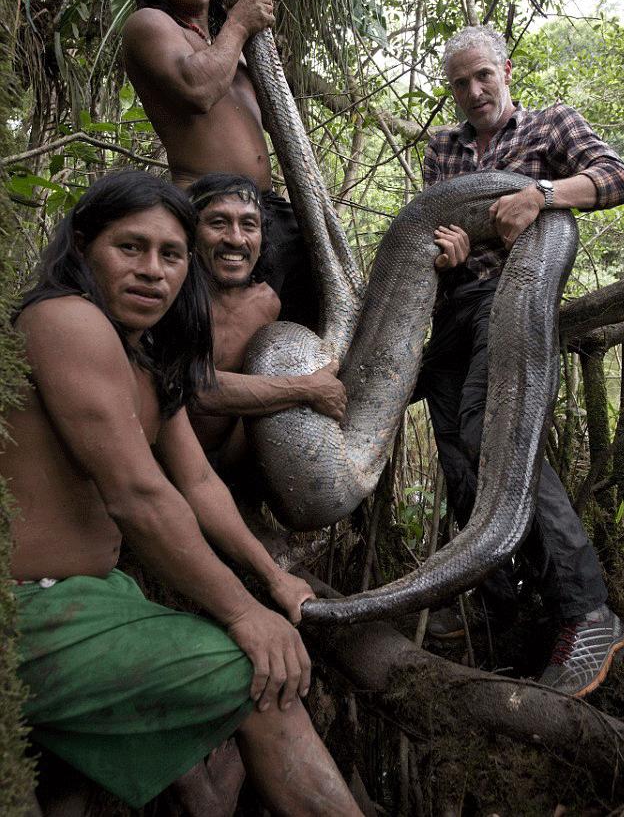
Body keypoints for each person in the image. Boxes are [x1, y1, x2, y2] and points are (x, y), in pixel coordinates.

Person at [5, 171, 362, 816]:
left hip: (95, 597)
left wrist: (272, 580)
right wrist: (242, 614)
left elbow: (197, 483)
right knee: (260, 681)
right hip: (25, 612)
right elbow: (137, 495)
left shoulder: (144, 356)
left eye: (170, 255)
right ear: (84, 244)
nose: (153, 271)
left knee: (75, 785)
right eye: (130, 248)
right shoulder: (65, 319)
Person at [416, 25, 624, 696]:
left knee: (495, 436)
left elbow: (618, 177)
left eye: (485, 75)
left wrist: (541, 194)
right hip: (453, 309)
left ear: (506, 70)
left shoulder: (548, 126)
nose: (475, 91)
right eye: (461, 82)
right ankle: (502, 601)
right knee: (454, 449)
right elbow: (426, 228)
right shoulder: (443, 149)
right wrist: (444, 248)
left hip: (513, 299)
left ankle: (587, 609)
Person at [122, 0, 316, 327]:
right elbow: (197, 89)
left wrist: (253, 45)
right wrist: (240, 22)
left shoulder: (227, 46)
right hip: (209, 209)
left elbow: (274, 121)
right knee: (231, 338)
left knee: (305, 327)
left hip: (266, 211)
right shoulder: (149, 24)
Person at [186, 172, 345, 479]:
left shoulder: (268, 301)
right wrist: (307, 389)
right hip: (166, 459)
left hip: (234, 463)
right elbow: (193, 387)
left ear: (262, 235)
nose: (235, 238)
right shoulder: (175, 294)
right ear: (192, 231)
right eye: (218, 223)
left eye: (248, 225)